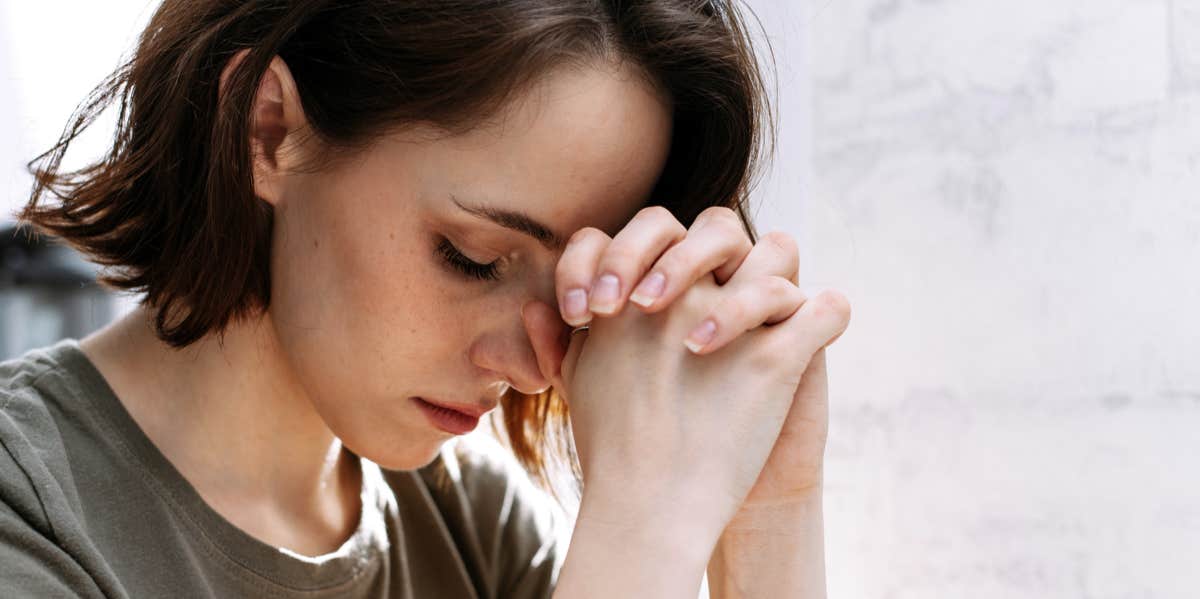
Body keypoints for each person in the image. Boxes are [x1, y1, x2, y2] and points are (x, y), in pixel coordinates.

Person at [0, 1, 851, 597]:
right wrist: (643, 519)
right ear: (267, 132)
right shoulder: (29, 513)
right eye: (473, 258)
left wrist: (768, 513)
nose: (529, 367)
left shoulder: (474, 532)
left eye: (571, 291)